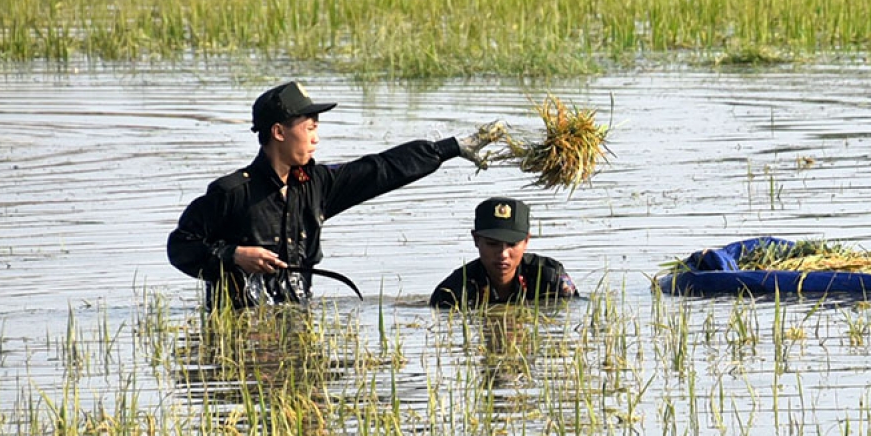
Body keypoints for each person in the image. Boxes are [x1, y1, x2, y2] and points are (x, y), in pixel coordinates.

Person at [168, 80, 502, 307]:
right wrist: (234, 255)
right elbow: (180, 247)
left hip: (297, 319)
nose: (316, 137)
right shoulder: (232, 192)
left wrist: (449, 148)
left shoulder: (316, 184)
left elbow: (381, 169)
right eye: (309, 127)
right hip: (239, 333)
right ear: (279, 132)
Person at [430, 197, 577, 308]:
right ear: (476, 239)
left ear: (526, 241)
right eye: (492, 244)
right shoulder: (452, 292)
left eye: (512, 244)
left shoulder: (551, 278)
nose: (503, 254)